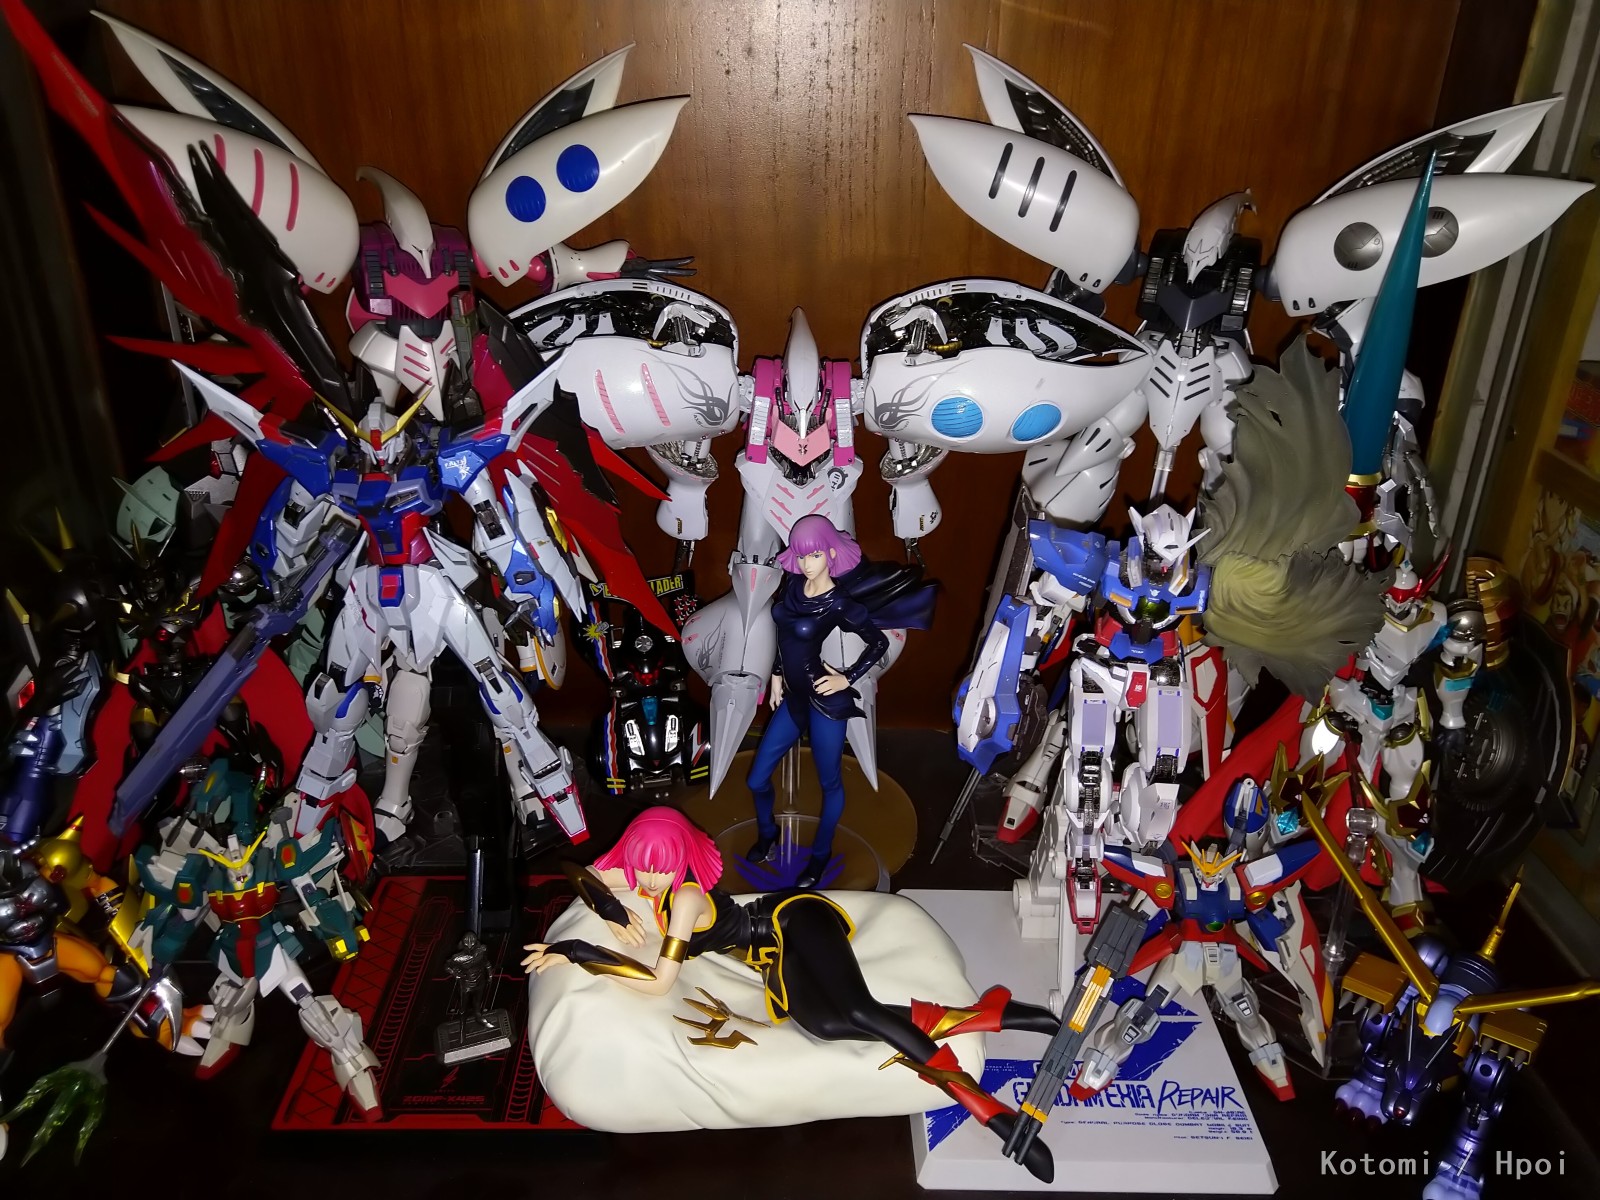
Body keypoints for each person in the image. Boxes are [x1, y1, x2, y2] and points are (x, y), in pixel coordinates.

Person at [522, 808, 1058, 1181]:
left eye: (660, 866)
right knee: (828, 1025)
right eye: (642, 864)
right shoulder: (646, 881)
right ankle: (986, 1014)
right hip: (777, 958)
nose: (649, 878)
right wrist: (609, 911)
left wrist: (578, 952)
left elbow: (660, 982)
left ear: (680, 859)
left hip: (793, 921)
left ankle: (989, 1111)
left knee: (859, 1012)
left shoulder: (683, 898)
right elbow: (580, 871)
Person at [747, 515, 936, 887]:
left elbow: (877, 642)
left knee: (830, 782)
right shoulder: (792, 584)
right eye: (802, 555)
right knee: (756, 779)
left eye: (814, 555)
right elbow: (785, 635)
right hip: (793, 698)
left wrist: (846, 677)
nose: (806, 563)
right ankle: (768, 834)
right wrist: (777, 674)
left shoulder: (838, 602)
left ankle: (820, 855)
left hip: (824, 702)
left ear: (831, 554)